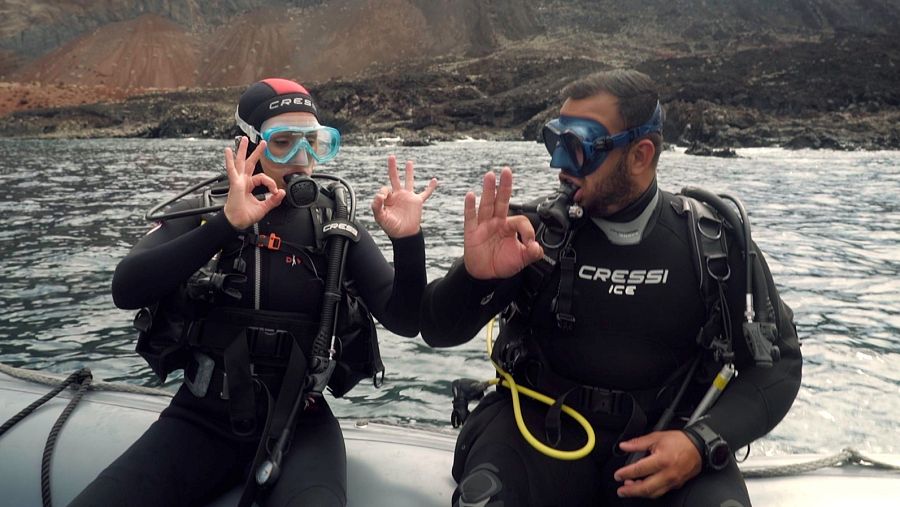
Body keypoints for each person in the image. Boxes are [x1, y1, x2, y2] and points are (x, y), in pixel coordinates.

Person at [420, 69, 801, 506]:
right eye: (555, 141)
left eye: (578, 147)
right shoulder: (534, 238)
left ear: (640, 155)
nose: (558, 164)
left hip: (665, 448)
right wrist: (476, 275)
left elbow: (778, 366)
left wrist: (700, 442)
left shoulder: (712, 245)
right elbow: (437, 328)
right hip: (535, 437)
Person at [70, 78, 437, 507]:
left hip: (303, 426)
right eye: (283, 143)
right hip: (201, 419)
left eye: (316, 143)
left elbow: (406, 320)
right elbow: (127, 288)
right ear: (248, 144)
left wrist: (408, 241)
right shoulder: (208, 210)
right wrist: (227, 225)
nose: (304, 159)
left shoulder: (335, 227)